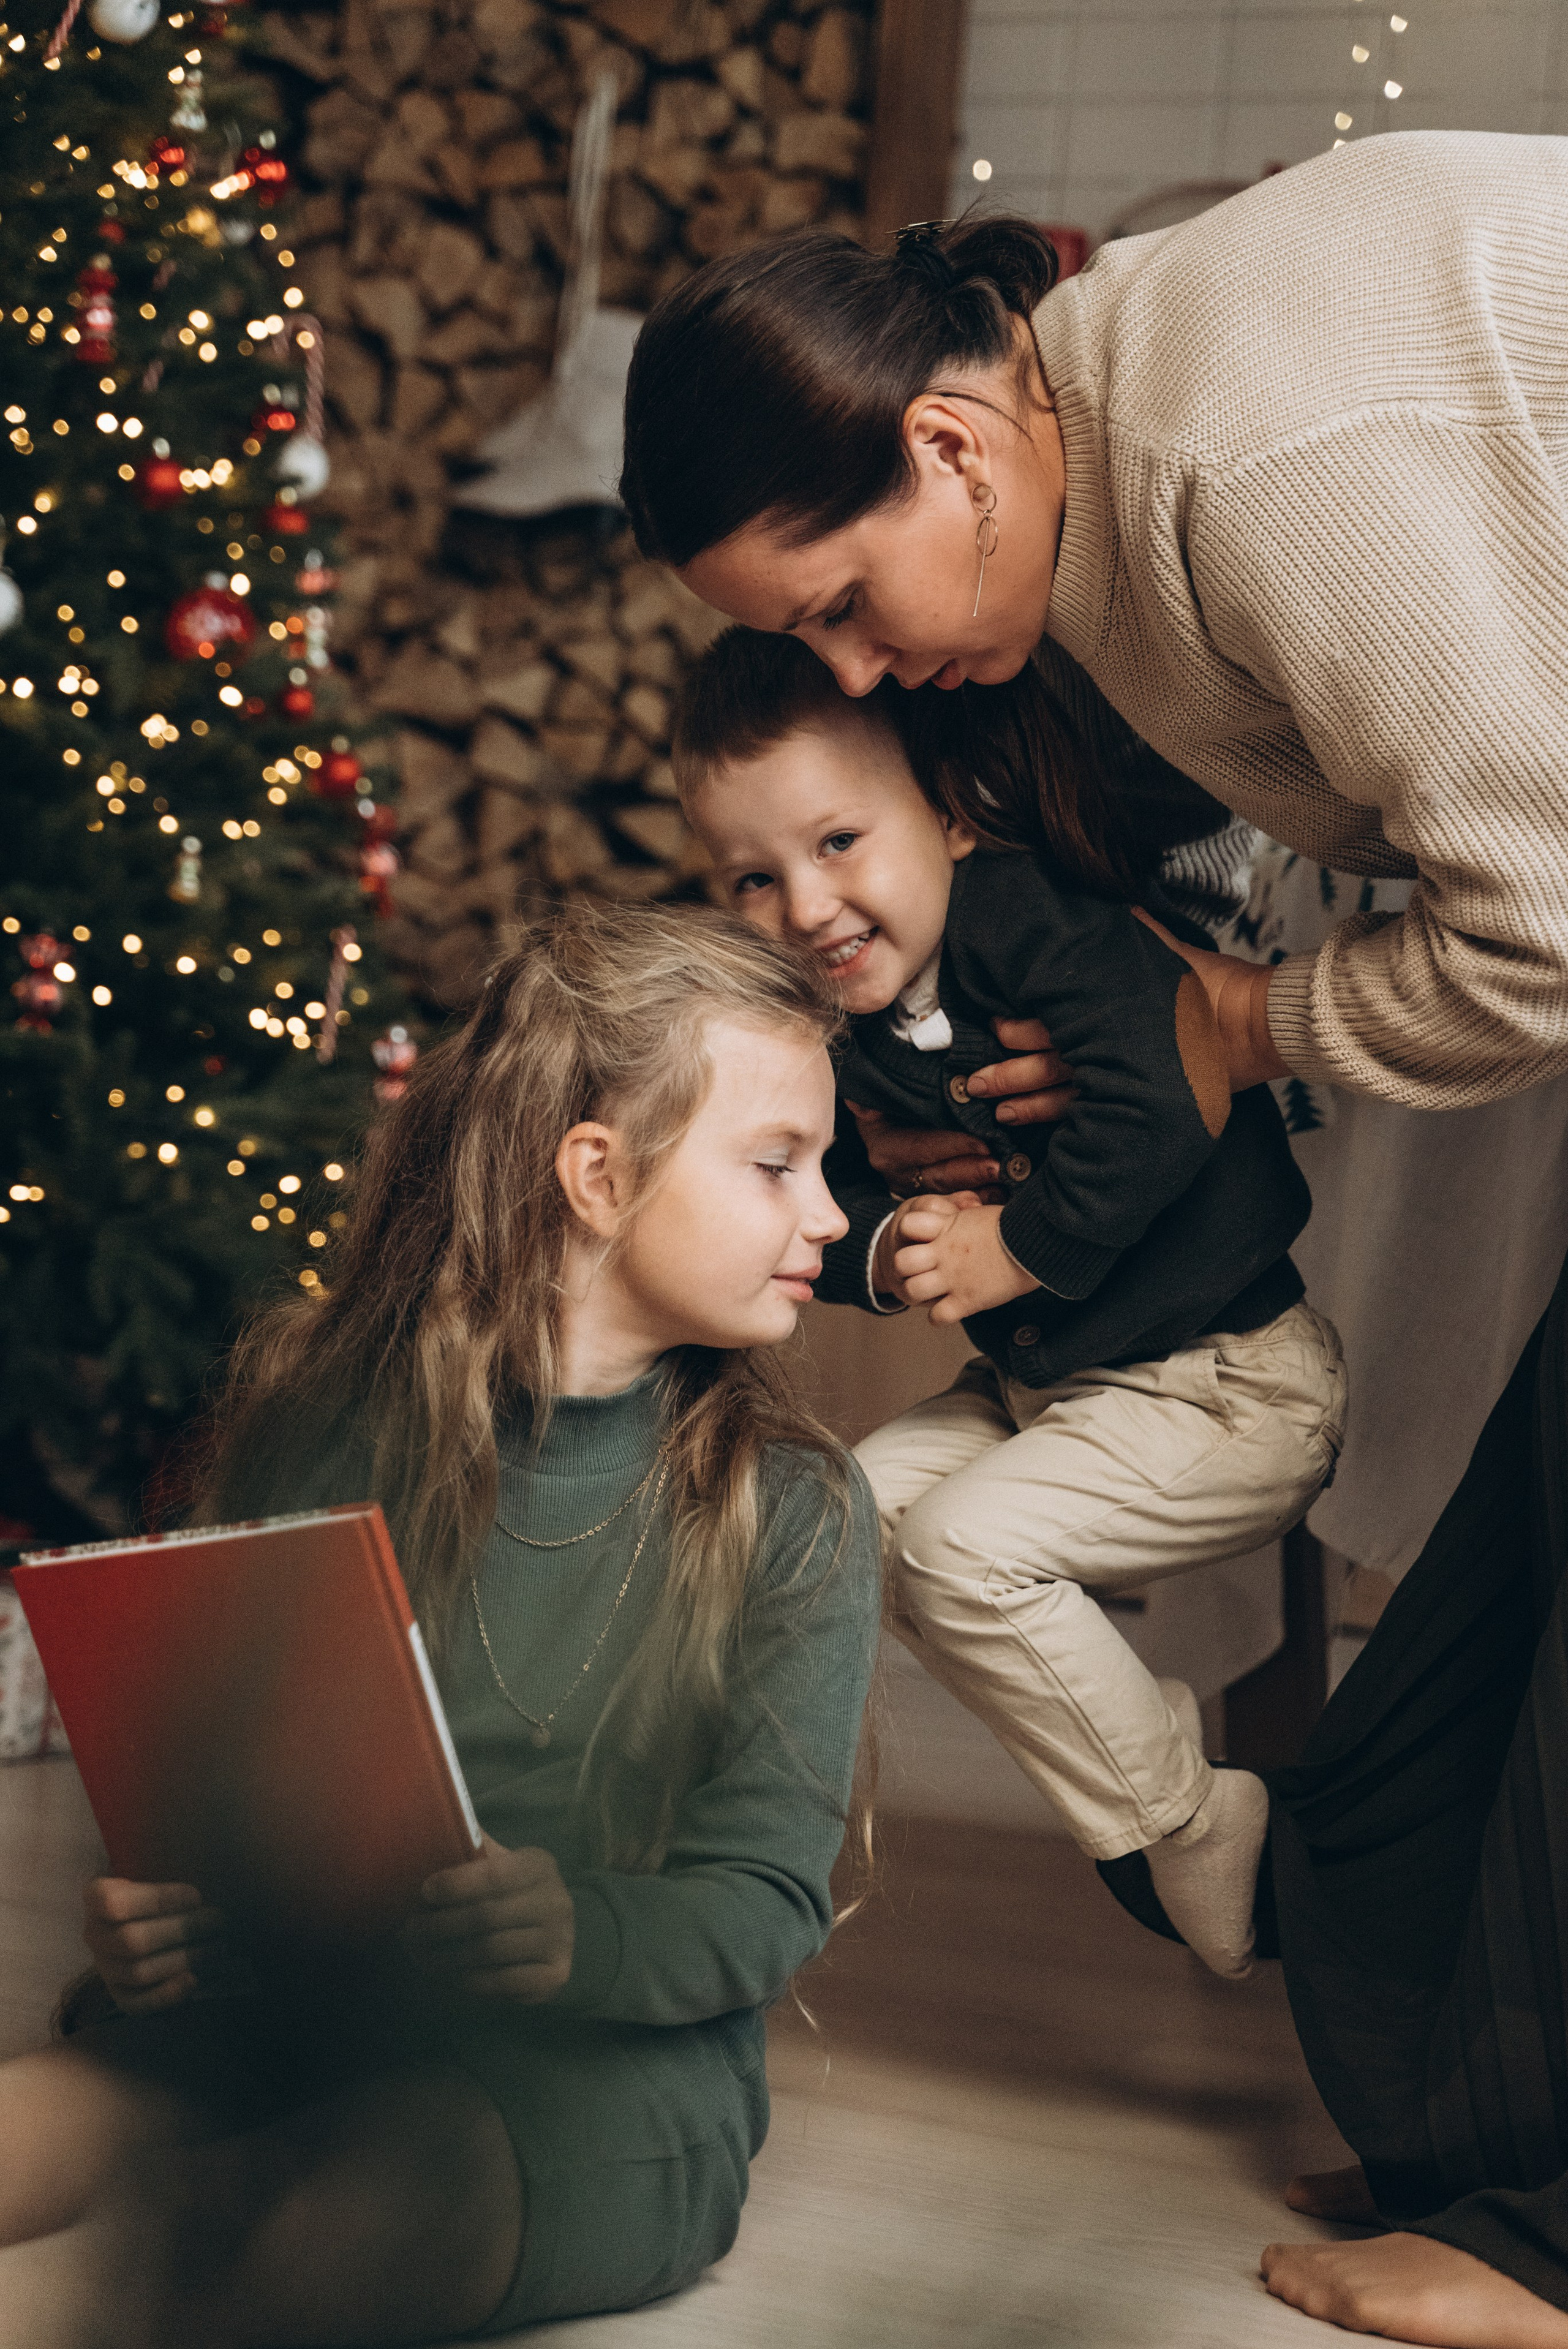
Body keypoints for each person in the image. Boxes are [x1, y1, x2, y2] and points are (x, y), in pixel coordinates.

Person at [619, 131, 1568, 2344]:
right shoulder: (1103, 441)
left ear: (950, 441)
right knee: (1503, 1599)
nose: (862, 660)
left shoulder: (1250, 449)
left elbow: (1544, 917)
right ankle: (1480, 2134)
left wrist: (1246, 1023)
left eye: (842, 603)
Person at [0, 903, 881, 2347]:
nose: (831, 1213)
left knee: (223, 2242)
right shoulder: (328, 1421)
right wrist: (156, 1927)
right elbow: (232, 1802)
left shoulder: (795, 1507)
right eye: (779, 1164)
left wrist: (573, 1933)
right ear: (596, 1174)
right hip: (297, 2011)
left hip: (590, 2080)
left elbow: (763, 1904)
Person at [674, 622, 1344, 1981]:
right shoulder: (828, 1018)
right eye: (752, 878)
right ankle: (1123, 1791)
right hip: (1049, 1394)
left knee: (962, 1553)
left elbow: (1168, 1095)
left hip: (1225, 1384)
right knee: (842, 1519)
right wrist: (882, 1246)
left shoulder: (1036, 922)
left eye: (837, 843)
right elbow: (841, 1188)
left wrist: (1014, 1248)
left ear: (944, 816)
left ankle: (1186, 1817)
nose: (804, 908)